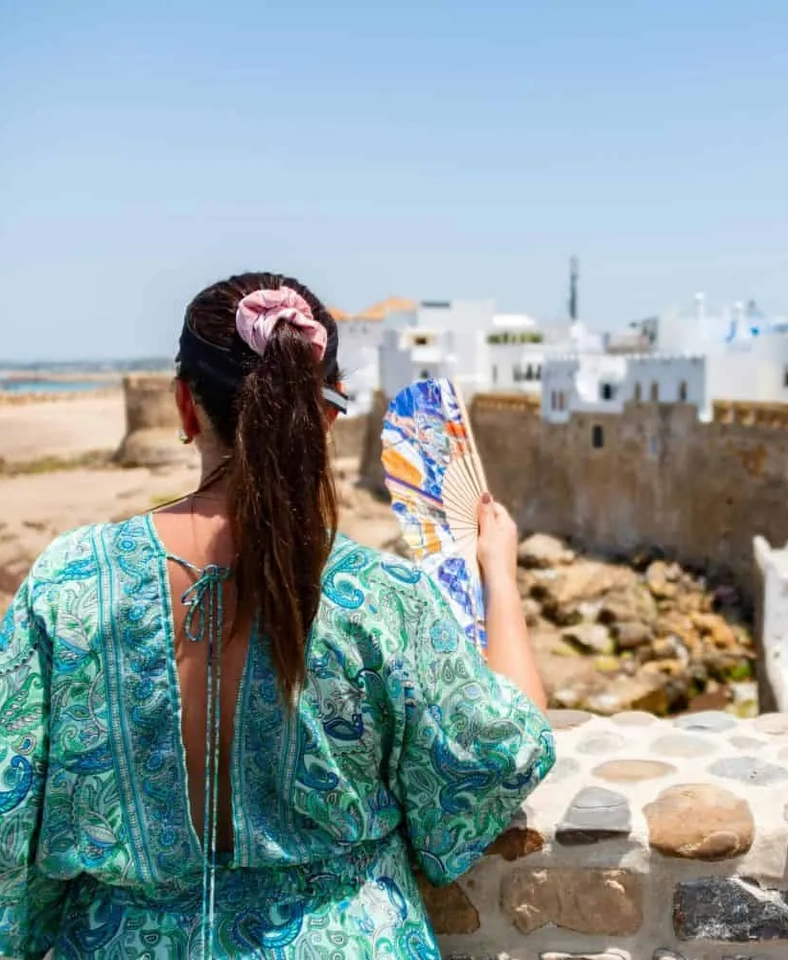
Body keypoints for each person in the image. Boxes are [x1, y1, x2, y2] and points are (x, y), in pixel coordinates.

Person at [0, 273, 554, 959]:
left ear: (184, 406)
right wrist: (499, 575)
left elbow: (10, 808)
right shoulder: (379, 595)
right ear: (325, 416)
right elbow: (503, 751)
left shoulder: (67, 586)